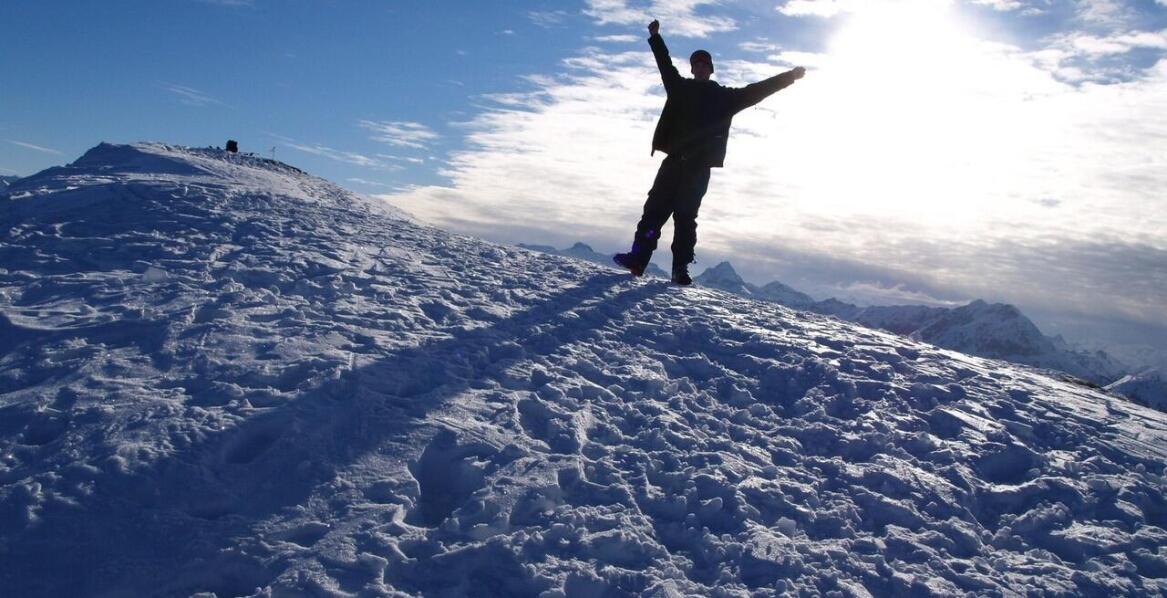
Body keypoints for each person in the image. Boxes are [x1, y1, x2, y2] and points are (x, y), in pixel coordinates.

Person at [614, 19, 806, 285]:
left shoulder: (725, 98)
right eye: (697, 63)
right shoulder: (679, 88)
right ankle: (638, 259)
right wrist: (656, 37)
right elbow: (664, 64)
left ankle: (680, 269)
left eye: (705, 64)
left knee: (685, 218)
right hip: (672, 164)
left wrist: (789, 77)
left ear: (711, 70)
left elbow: (758, 90)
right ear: (692, 68)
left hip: (698, 169)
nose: (701, 67)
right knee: (654, 212)